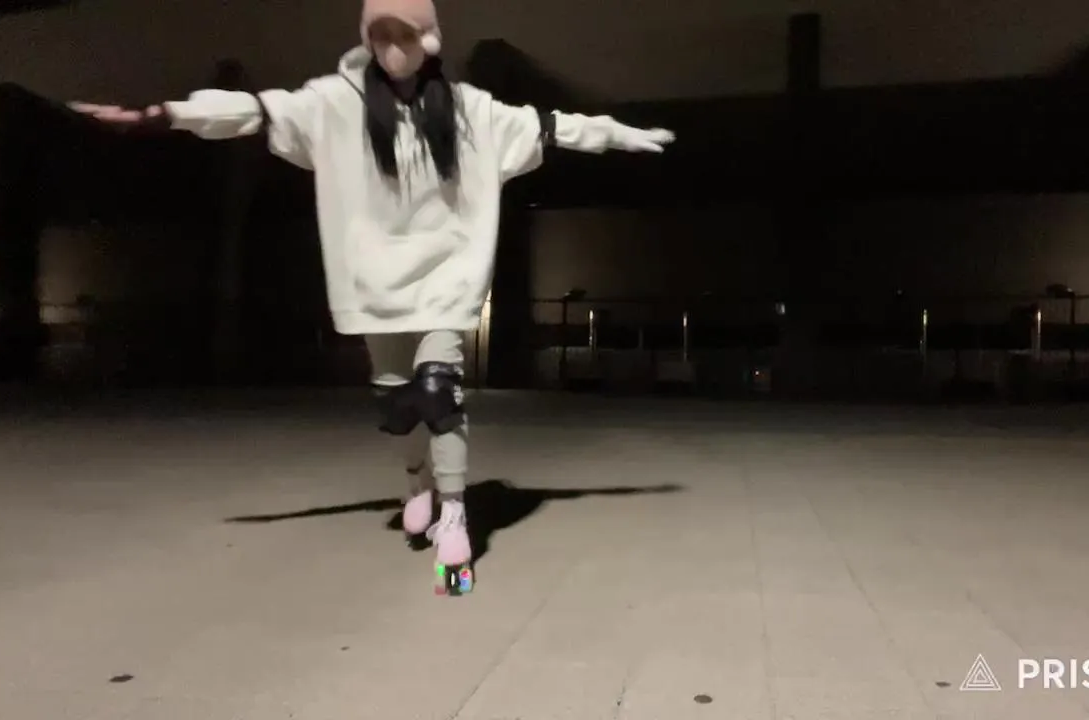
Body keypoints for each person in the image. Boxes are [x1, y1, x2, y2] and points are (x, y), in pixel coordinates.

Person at [69, 0, 675, 595]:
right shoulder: (337, 102)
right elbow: (254, 110)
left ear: (429, 40)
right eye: (379, 35)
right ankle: (417, 484)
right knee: (397, 405)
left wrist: (620, 134)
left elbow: (549, 125)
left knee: (439, 391)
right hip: (374, 281)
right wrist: (161, 115)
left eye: (404, 34)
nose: (392, 48)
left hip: (445, 277)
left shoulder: (469, 109)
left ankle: (455, 515)